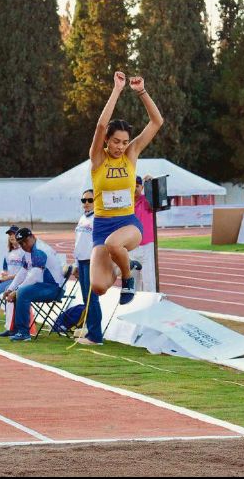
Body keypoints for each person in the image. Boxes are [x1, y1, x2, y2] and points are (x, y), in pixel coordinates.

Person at [89, 71, 163, 306]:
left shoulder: (131, 155)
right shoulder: (98, 159)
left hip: (128, 224)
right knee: (98, 287)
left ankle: (128, 279)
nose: (120, 147)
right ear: (106, 141)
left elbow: (156, 122)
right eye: (115, 141)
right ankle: (124, 264)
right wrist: (117, 90)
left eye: (124, 142)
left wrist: (141, 91)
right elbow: (101, 125)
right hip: (102, 226)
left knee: (114, 244)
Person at [2, 228, 65, 342]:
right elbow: (23, 271)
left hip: (54, 288)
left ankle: (23, 332)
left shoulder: (40, 251)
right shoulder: (29, 250)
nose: (23, 245)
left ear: (32, 237)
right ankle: (14, 329)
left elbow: (35, 275)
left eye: (25, 241)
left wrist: (17, 290)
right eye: (20, 243)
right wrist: (11, 288)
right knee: (16, 290)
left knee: (22, 292)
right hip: (43, 285)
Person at [73, 190, 104, 346]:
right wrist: (75, 263)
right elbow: (79, 242)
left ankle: (96, 336)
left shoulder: (97, 219)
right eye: (83, 200)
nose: (86, 203)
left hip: (92, 262)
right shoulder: (82, 218)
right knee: (87, 298)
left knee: (92, 299)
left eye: (89, 200)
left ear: (96, 201)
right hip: (82, 262)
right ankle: (91, 331)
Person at [130, 175, 156, 292]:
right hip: (131, 246)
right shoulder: (126, 204)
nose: (135, 188)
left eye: (137, 186)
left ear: (142, 187)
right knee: (132, 279)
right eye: (132, 185)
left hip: (146, 245)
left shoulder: (147, 200)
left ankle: (151, 305)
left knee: (148, 278)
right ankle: (134, 304)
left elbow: (159, 197)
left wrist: (151, 184)